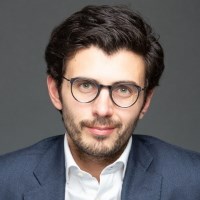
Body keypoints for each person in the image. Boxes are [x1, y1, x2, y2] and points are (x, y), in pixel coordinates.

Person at [0, 5, 200, 200]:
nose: (103, 110)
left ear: (146, 100)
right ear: (55, 91)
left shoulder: (193, 181)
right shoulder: (5, 181)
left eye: (123, 89)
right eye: (86, 85)